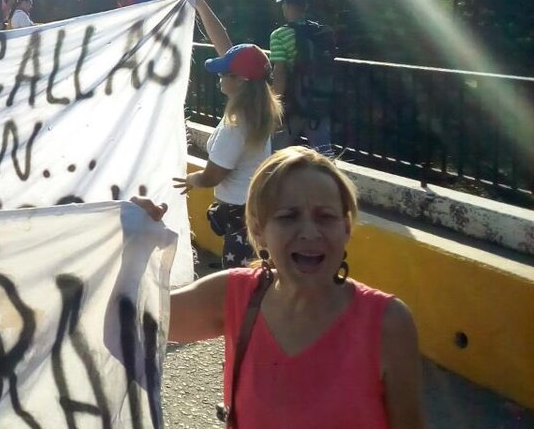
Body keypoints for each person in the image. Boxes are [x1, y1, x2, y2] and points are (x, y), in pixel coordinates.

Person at [134, 147, 425, 429]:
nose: (310, 233)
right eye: (288, 217)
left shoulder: (387, 323)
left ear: (346, 227)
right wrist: (132, 245)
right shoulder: (234, 295)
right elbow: (132, 316)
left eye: (325, 216)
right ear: (259, 230)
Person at [176, 0, 282, 269]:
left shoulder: (237, 126)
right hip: (255, 211)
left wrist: (190, 180)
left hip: (240, 220)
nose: (219, 76)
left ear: (240, 80)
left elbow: (212, 176)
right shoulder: (257, 102)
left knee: (239, 287)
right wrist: (201, 5)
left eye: (224, 72)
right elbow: (224, 44)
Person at [270, 0, 334, 154]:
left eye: (283, 4)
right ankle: (331, 179)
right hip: (320, 100)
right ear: (305, 6)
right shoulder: (321, 33)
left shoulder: (279, 35)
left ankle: (270, 180)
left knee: (274, 153)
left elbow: (280, 73)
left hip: (293, 104)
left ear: (288, 6)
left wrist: (274, 106)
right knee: (324, 153)